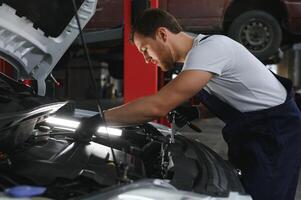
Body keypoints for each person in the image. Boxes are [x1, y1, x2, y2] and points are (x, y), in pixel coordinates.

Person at [101, 8, 301, 200]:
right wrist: (196, 112)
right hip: (255, 133)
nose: (146, 59)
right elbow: (240, 99)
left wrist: (101, 119)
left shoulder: (210, 50)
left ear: (162, 34)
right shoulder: (199, 58)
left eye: (145, 49)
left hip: (275, 134)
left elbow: (157, 106)